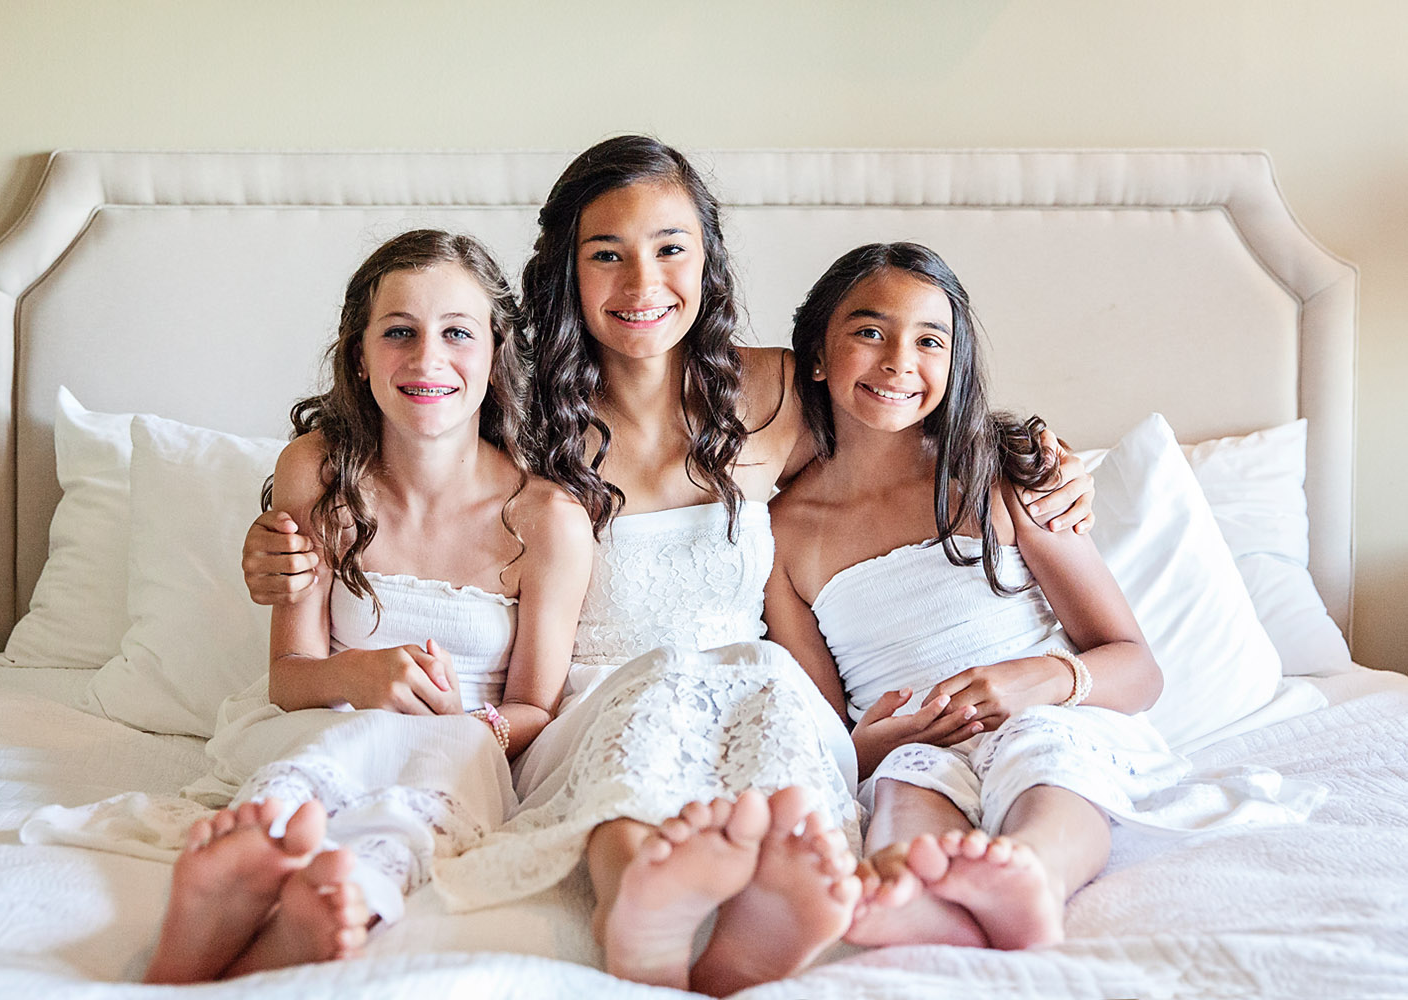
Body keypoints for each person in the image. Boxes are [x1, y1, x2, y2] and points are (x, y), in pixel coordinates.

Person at [237, 138, 1096, 993]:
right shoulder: (520, 415)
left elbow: (910, 411)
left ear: (708, 260)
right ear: (566, 271)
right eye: (605, 254)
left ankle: (764, 909)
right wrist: (272, 539)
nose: (642, 284)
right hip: (586, 704)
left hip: (755, 681)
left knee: (777, 730)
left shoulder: (783, 394)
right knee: (637, 746)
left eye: (669, 249)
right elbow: (399, 463)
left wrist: (1033, 454)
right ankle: (635, 910)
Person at [762, 241, 1261, 952]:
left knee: (1043, 758)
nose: (899, 360)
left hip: (1052, 712)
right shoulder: (779, 535)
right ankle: (908, 887)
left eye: (929, 340)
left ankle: (1034, 872)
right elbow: (821, 732)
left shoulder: (1000, 476)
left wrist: (1039, 681)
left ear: (953, 361)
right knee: (908, 784)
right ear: (815, 354)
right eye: (869, 332)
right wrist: (869, 746)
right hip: (917, 738)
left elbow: (1138, 670)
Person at [144, 229, 593, 983]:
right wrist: (356, 680)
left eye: (456, 333)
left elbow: (533, 712)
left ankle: (341, 891)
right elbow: (290, 677)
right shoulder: (319, 472)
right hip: (325, 722)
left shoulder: (545, 518)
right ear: (359, 353)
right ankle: (248, 871)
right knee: (316, 762)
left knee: (436, 769)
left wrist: (463, 721)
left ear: (493, 351)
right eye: (398, 333)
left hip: (459, 745)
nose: (426, 360)